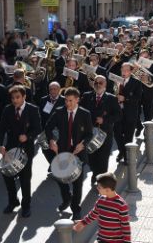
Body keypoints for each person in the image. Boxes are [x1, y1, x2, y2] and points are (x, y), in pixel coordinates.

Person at [45, 87, 93, 220]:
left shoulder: (85, 114)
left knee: (77, 183)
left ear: (77, 100)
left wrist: (83, 144)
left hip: (79, 153)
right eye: (66, 100)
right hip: (63, 151)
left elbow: (89, 134)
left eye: (71, 101)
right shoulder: (59, 112)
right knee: (60, 177)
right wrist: (51, 140)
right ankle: (67, 198)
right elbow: (48, 127)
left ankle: (76, 209)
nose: (68, 104)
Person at [0, 85, 41, 218]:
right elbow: (1, 129)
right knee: (7, 175)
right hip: (10, 147)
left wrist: (28, 136)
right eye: (13, 98)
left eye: (17, 97)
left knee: (25, 178)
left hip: (26, 149)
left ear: (24, 97)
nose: (15, 100)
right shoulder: (7, 109)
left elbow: (38, 128)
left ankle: (26, 205)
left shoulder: (32, 109)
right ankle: (13, 201)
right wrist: (0, 145)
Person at [81, 75, 121, 184]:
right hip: (89, 133)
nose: (98, 85)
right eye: (96, 83)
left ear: (105, 85)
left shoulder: (111, 98)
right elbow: (80, 111)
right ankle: (95, 173)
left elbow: (118, 115)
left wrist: (105, 120)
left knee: (103, 158)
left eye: (101, 83)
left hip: (105, 133)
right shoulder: (87, 96)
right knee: (91, 158)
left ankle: (101, 180)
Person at [73, 172, 131, 243]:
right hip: (102, 239)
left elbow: (125, 225)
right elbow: (93, 213)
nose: (97, 188)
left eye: (99, 187)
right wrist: (83, 222)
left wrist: (127, 241)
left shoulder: (121, 205)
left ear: (107, 190)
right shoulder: (101, 200)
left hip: (117, 240)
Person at [114, 63, 142, 164]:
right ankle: (122, 151)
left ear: (131, 72)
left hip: (130, 113)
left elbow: (138, 98)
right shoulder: (117, 80)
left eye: (127, 70)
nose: (124, 72)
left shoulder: (136, 82)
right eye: (123, 70)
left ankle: (127, 157)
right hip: (118, 113)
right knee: (117, 134)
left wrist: (125, 99)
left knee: (128, 136)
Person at [39, 82, 65, 165]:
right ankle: (52, 163)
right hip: (47, 129)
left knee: (58, 149)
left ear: (59, 90)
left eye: (55, 89)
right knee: (45, 148)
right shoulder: (43, 99)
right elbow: (40, 114)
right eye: (51, 89)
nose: (53, 91)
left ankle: (58, 166)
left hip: (60, 130)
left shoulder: (64, 100)